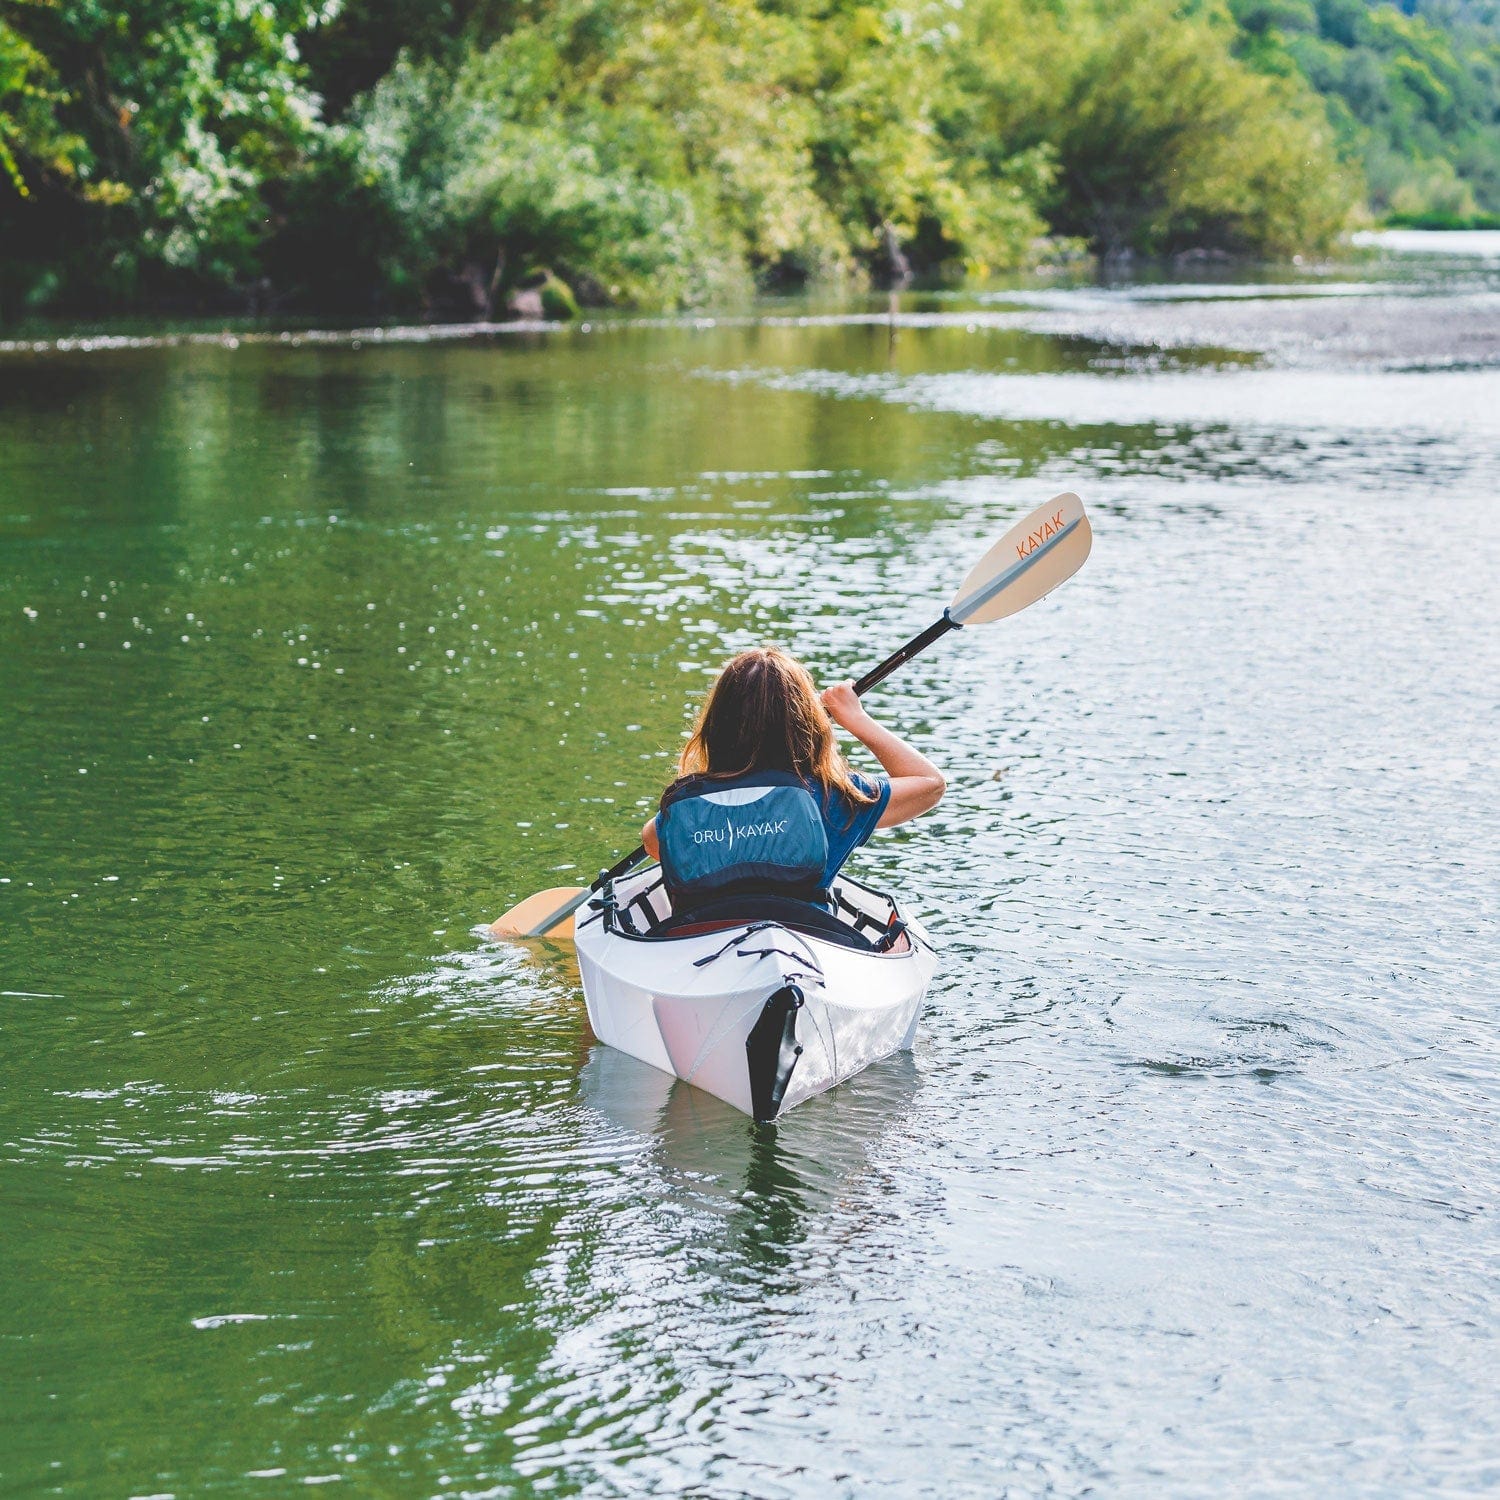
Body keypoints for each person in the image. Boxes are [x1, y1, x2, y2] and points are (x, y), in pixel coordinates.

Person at [640, 646, 944, 914]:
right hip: (806, 939)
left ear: (716, 725)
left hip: (701, 940)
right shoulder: (835, 797)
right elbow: (930, 783)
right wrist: (855, 718)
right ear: (807, 724)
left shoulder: (687, 807)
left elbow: (652, 842)